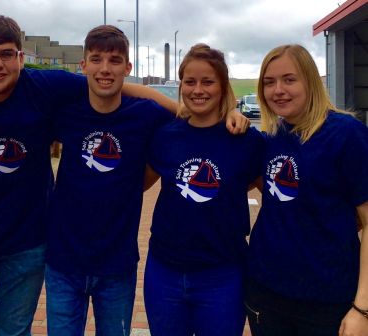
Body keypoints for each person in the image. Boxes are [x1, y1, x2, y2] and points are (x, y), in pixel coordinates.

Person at [0, 14, 180, 335]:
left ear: (20, 57)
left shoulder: (44, 87)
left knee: (15, 332)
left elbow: (116, 85)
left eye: (6, 53)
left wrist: (189, 110)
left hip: (29, 243)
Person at [44, 28, 249, 335]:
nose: (104, 68)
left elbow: (191, 112)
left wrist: (228, 109)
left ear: (128, 68)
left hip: (118, 264)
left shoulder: (147, 117)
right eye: (96, 59)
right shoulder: (65, 111)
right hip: (63, 261)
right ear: (83, 65)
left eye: (115, 60)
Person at [246, 44, 368, 336]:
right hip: (266, 294)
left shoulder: (346, 134)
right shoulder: (272, 137)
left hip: (328, 301)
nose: (278, 90)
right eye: (269, 82)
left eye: (289, 79)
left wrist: (362, 308)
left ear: (310, 81)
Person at [142, 44, 264, 336]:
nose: (198, 90)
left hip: (223, 275)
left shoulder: (246, 140)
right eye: (190, 81)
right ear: (181, 84)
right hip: (164, 271)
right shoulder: (165, 136)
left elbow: (273, 195)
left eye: (208, 81)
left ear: (223, 87)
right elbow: (135, 186)